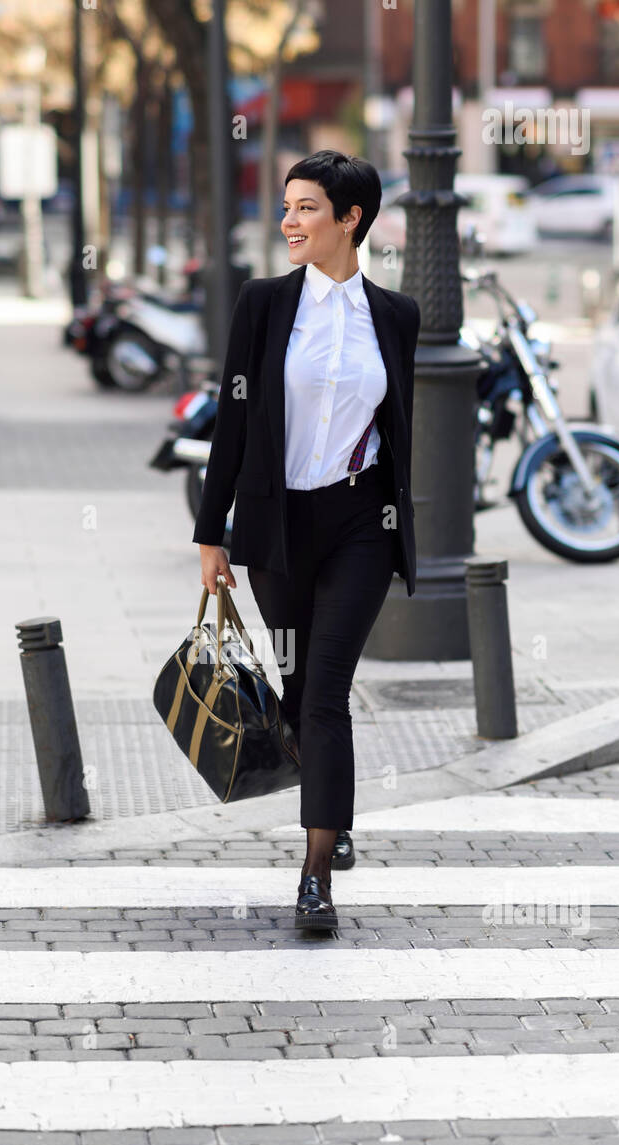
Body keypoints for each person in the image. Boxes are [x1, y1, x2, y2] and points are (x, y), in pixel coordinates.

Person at [193, 149, 420, 929]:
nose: (288, 222)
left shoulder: (395, 316)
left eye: (305, 209)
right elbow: (230, 419)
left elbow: (398, 431)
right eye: (286, 208)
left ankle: (315, 875)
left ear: (349, 219)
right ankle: (335, 803)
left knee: (324, 691)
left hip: (359, 524)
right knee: (295, 695)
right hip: (277, 526)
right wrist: (209, 532)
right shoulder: (260, 305)